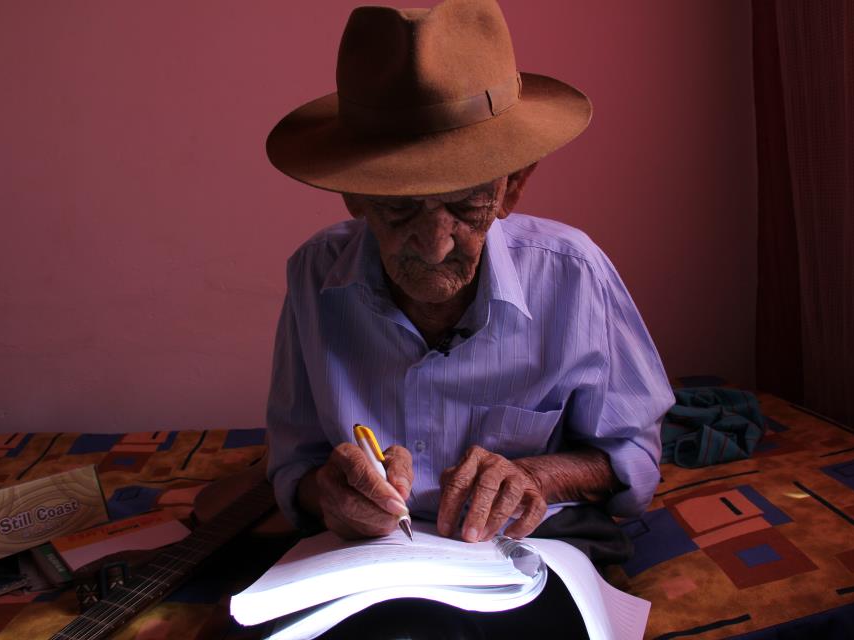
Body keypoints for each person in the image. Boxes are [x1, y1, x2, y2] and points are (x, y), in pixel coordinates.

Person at [264, 0, 673, 554]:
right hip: (368, 562)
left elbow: (634, 458)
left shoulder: (574, 275)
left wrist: (539, 475)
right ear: (353, 196)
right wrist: (326, 494)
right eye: (400, 208)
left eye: (465, 205)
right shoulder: (314, 276)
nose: (436, 245)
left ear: (512, 187)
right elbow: (295, 467)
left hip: (524, 554)